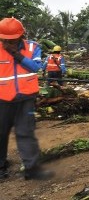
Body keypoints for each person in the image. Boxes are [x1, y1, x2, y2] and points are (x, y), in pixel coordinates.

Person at [0, 17, 54, 181]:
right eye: (4, 39)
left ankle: (32, 169)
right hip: (2, 100)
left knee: (26, 132)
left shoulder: (33, 47)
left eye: (12, 39)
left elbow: (35, 67)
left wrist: (17, 55)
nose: (8, 42)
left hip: (26, 99)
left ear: (20, 35)